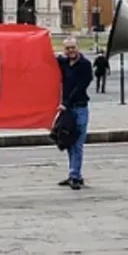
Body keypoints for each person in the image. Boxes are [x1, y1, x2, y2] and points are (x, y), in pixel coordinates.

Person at [55, 36, 93, 190]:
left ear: (78, 48)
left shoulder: (85, 65)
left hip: (79, 108)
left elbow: (80, 87)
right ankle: (74, 173)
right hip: (68, 110)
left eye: (73, 47)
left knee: (77, 143)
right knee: (69, 142)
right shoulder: (64, 63)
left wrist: (65, 103)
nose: (70, 50)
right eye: (67, 48)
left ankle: (75, 176)